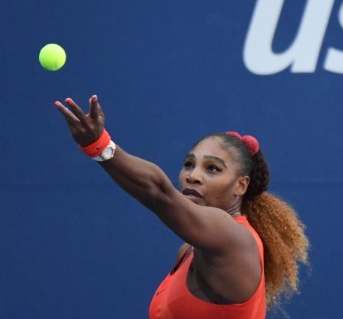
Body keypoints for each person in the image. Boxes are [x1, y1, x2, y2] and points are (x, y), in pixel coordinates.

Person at [55, 95, 309, 318]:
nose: (193, 176)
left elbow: (158, 193)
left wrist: (100, 144)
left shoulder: (232, 237)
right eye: (189, 164)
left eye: (212, 169)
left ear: (240, 186)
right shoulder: (189, 250)